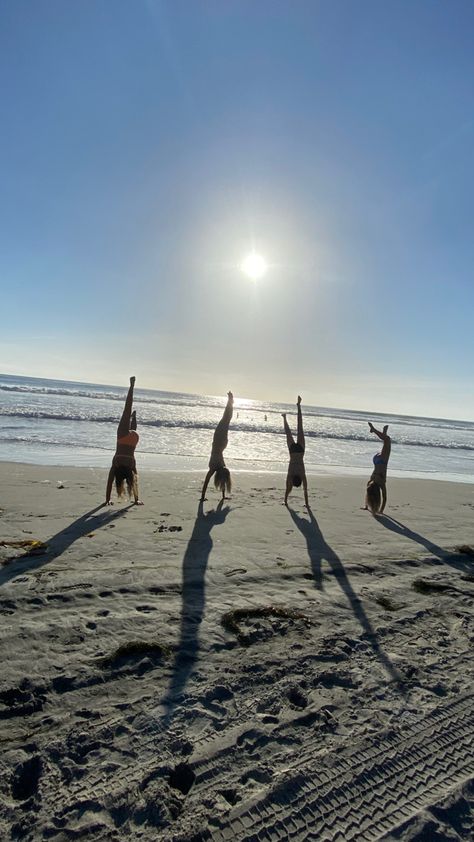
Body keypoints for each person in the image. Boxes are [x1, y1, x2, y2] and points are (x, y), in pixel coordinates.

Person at [104, 376, 143, 506]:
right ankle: (132, 386)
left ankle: (133, 418)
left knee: (133, 430)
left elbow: (135, 482)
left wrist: (137, 499)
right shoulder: (116, 463)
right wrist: (107, 499)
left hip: (134, 439)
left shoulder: (132, 465)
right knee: (127, 408)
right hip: (123, 437)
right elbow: (109, 482)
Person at [200, 392, 233, 500]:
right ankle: (230, 401)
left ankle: (230, 401)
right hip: (220, 442)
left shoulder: (218, 466)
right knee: (226, 420)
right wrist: (203, 497)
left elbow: (207, 481)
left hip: (220, 442)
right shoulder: (219, 466)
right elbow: (208, 481)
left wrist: (203, 497)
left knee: (226, 420)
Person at [282, 396, 309, 508]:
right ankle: (284, 418)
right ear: (293, 480)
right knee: (288, 432)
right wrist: (285, 500)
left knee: (300, 427)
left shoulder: (302, 475)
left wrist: (307, 503)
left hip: (301, 451)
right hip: (293, 452)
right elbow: (288, 488)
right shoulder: (290, 475)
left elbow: (305, 490)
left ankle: (298, 406)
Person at [364, 422, 391, 515]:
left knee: (387, 440)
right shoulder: (371, 481)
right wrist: (366, 506)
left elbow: (384, 498)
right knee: (386, 440)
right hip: (376, 462)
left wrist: (381, 510)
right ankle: (380, 432)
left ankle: (375, 430)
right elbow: (368, 493)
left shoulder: (381, 483)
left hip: (381, 462)